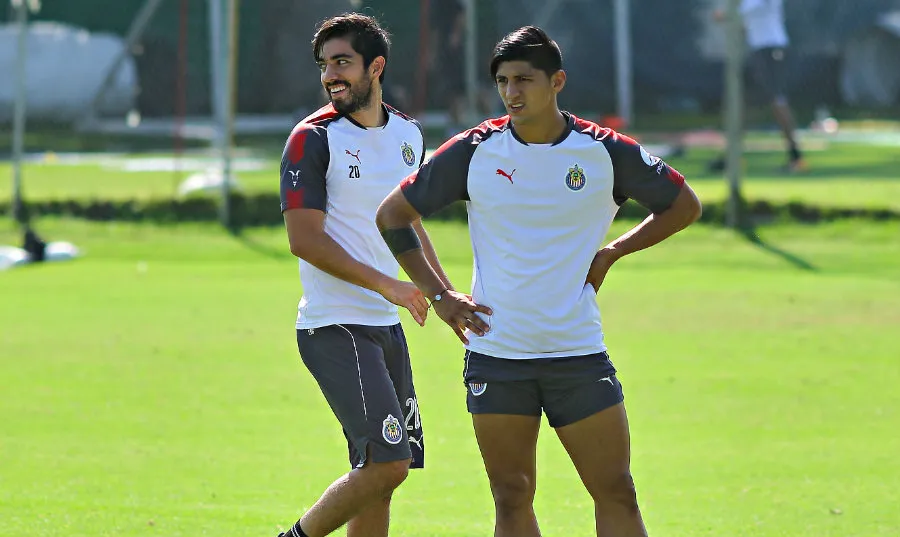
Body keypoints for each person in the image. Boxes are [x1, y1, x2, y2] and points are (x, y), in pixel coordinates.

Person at [376, 26, 702, 537]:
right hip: (497, 354)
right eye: (503, 81)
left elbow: (684, 206)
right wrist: (440, 296)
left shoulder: (604, 151)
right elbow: (392, 215)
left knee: (616, 489)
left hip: (576, 352)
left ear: (557, 82)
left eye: (524, 79)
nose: (511, 92)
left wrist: (614, 251)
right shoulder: (473, 150)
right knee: (511, 497)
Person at [275, 13, 451, 537]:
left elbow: (409, 225)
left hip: (386, 329)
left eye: (342, 62)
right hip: (335, 327)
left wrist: (442, 295)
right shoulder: (312, 138)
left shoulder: (408, 136)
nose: (331, 75)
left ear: (376, 67)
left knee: (381, 474)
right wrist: (389, 285)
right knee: (387, 462)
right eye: (324, 65)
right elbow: (303, 240)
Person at [712, 0, 807, 173]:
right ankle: (732, 157)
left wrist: (726, 15)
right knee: (740, 102)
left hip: (772, 51)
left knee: (778, 101)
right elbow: (743, 23)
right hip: (758, 53)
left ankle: (796, 157)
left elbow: (734, 12)